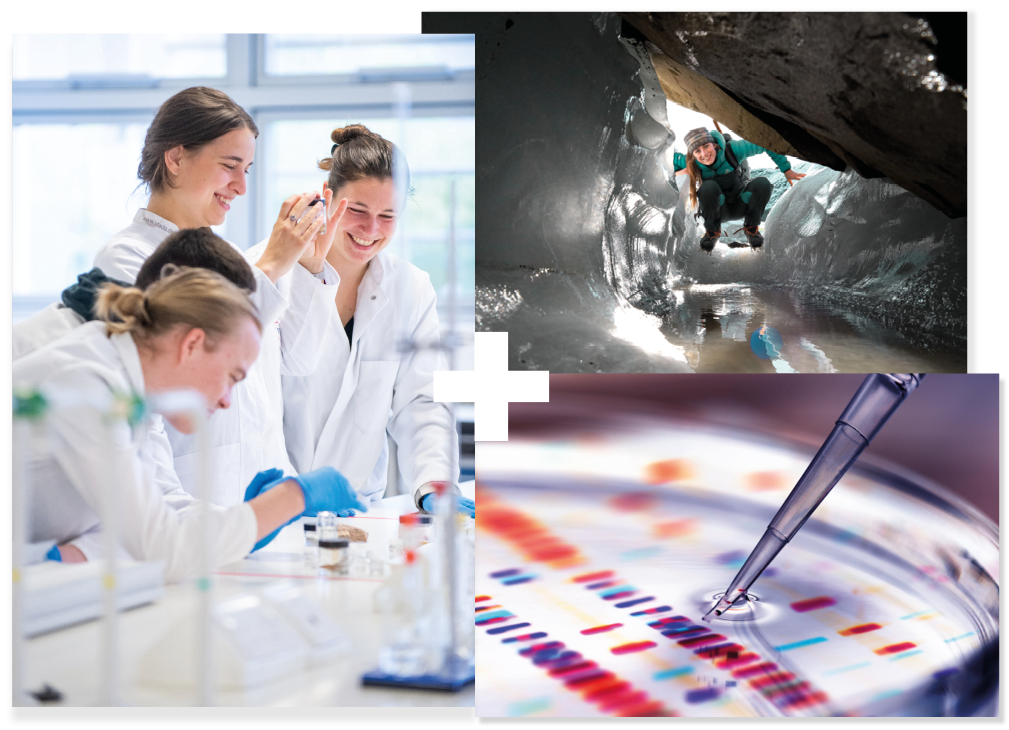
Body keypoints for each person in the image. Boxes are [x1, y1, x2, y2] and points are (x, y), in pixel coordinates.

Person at [12, 268, 366, 582]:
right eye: (231, 376)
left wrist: (255, 517)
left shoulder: (138, 390)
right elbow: (161, 546)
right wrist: (291, 498)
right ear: (192, 344)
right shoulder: (87, 382)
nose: (228, 399)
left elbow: (158, 506)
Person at [91, 86, 348, 507]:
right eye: (230, 166)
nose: (241, 186)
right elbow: (192, 351)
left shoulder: (229, 259)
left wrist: (308, 267)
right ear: (175, 159)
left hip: (264, 482)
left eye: (247, 169)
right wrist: (271, 268)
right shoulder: (126, 257)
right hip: (197, 491)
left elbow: (298, 360)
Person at [257, 124, 474, 518]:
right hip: (269, 501)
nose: (370, 230)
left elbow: (421, 401)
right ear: (327, 197)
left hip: (356, 509)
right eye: (357, 210)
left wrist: (435, 483)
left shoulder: (410, 289)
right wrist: (286, 496)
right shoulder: (267, 272)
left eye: (387, 215)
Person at [673, 127, 806, 252]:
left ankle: (751, 229)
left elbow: (765, 144)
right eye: (697, 151)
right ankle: (712, 233)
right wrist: (679, 172)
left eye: (706, 146)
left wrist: (786, 169)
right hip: (719, 211)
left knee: (763, 183)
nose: (704, 154)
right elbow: (668, 158)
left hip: (741, 204)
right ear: (693, 154)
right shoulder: (691, 162)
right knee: (707, 187)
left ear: (714, 144)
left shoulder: (733, 150)